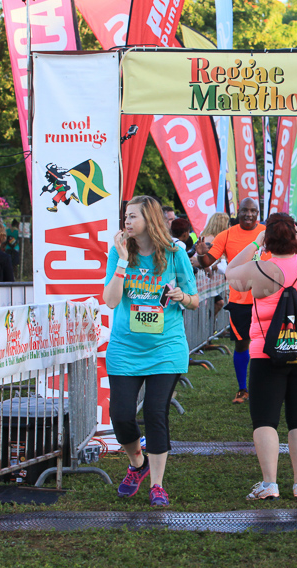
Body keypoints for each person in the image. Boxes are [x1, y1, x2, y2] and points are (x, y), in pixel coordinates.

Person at [225, 213, 297, 501]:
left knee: (265, 419)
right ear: (295, 236)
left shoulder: (258, 269)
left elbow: (230, 272)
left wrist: (256, 243)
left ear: (269, 239)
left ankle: (269, 484)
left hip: (267, 353)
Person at [103, 196, 199, 507]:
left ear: (150, 219)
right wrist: (121, 261)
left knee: (156, 412)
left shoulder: (175, 253)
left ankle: (157, 484)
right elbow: (111, 301)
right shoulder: (119, 251)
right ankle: (137, 464)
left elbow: (195, 300)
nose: (127, 222)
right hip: (125, 348)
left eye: (133, 216)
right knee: (121, 416)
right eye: (126, 217)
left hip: (165, 348)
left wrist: (181, 296)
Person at [195, 198, 264, 404]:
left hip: (267, 299)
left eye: (253, 211)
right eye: (245, 211)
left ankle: (266, 387)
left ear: (258, 213)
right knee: (242, 345)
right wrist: (201, 254)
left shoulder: (267, 233)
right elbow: (208, 261)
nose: (249, 214)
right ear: (238, 213)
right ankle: (243, 389)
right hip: (240, 300)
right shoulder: (227, 235)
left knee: (268, 344)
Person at [200, 212, 232, 317]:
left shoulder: (209, 237)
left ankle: (210, 324)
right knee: (214, 305)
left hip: (209, 281)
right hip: (204, 280)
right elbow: (210, 261)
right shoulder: (211, 240)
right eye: (228, 224)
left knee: (218, 303)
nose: (229, 227)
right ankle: (208, 325)